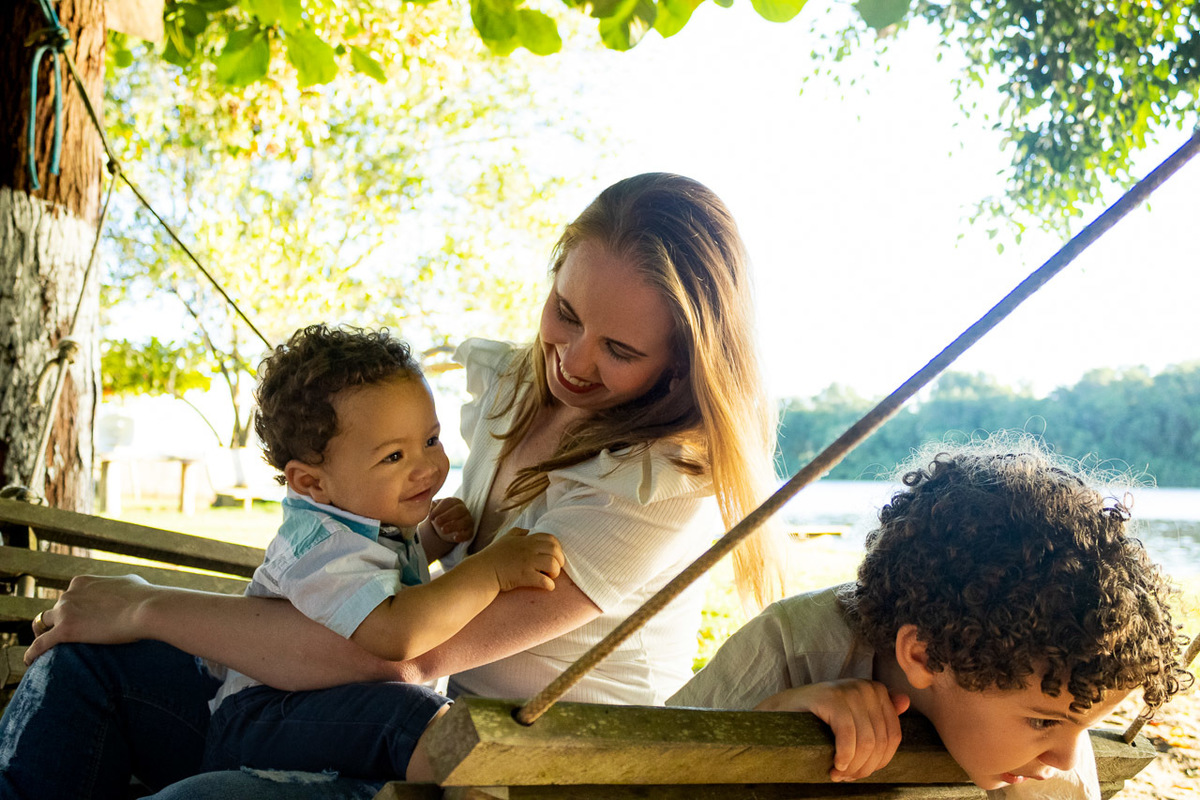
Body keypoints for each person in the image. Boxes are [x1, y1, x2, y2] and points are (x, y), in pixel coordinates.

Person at [0, 172, 784, 800]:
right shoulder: (522, 388)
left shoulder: (659, 485)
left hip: (501, 759)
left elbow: (407, 654)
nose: (573, 361)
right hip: (364, 705)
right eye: (565, 311)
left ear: (685, 360)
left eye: (618, 348)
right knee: (82, 669)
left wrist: (145, 605)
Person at [668, 442, 1190, 799]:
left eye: (1086, 727)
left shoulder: (1052, 723)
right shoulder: (795, 646)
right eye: (1042, 721)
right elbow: (640, 773)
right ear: (922, 655)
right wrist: (769, 723)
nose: (1067, 757)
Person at [202, 324, 564, 780]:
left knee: (407, 716)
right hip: (264, 715)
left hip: (325, 708)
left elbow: (382, 577)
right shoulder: (319, 545)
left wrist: (431, 539)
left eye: (431, 440)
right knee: (409, 719)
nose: (428, 467)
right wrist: (490, 571)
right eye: (394, 457)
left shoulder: (365, 516)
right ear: (312, 482)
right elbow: (393, 632)